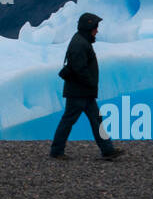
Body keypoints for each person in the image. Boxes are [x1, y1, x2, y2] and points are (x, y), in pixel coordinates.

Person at [49, 12, 123, 160]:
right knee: (70, 120)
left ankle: (108, 150)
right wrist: (90, 82)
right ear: (88, 27)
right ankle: (56, 151)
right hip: (79, 92)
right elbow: (79, 68)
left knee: (94, 119)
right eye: (95, 27)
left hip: (83, 91)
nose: (97, 30)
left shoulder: (81, 41)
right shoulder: (80, 44)